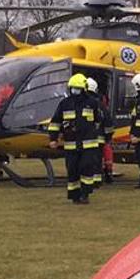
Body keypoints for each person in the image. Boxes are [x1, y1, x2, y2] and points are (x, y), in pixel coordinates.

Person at [46, 73, 104, 204]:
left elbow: (98, 120)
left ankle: (85, 193)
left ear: (83, 89)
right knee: (72, 170)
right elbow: (56, 122)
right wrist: (53, 138)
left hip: (89, 144)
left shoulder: (92, 103)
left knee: (86, 167)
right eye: (72, 88)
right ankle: (74, 195)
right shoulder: (64, 104)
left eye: (77, 88)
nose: (74, 90)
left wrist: (91, 131)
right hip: (71, 144)